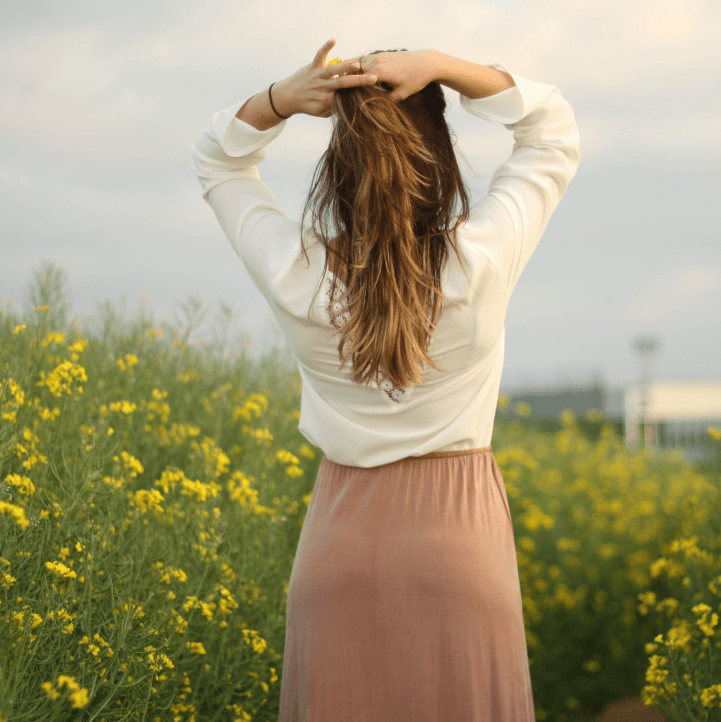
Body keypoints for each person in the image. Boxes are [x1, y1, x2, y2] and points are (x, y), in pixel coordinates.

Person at [191, 37, 580, 722]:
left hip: (337, 558)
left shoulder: (298, 275)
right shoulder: (477, 263)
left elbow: (219, 163)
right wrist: (444, 66)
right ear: (441, 156)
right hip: (462, 554)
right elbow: (550, 130)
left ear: (336, 166)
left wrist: (282, 99)